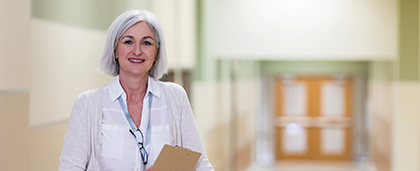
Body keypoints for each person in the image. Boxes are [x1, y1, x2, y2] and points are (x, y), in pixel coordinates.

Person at [59, 10, 214, 171]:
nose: (138, 51)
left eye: (146, 43)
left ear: (157, 53)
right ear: (114, 50)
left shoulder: (175, 97)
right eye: (128, 42)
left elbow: (200, 165)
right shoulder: (87, 104)